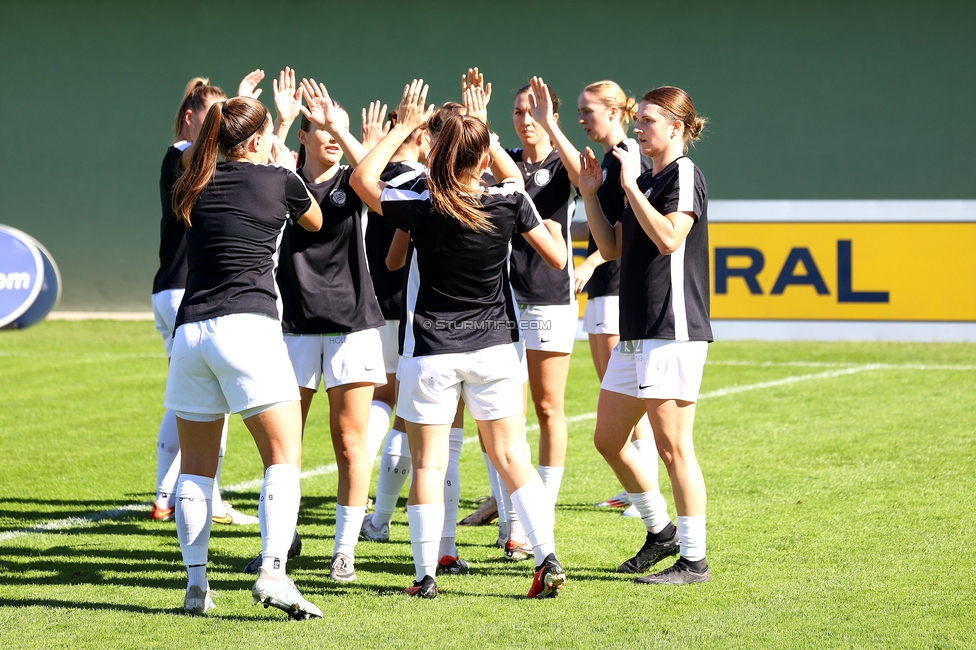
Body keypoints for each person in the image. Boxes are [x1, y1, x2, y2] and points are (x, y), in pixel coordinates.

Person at [351, 79, 569, 599]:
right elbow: (557, 258)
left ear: (440, 151)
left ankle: (426, 575)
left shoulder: (423, 203)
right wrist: (484, 129)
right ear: (483, 154)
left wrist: (403, 126)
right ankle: (547, 557)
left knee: (430, 462)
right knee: (513, 457)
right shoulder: (509, 200)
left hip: (432, 349)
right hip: (495, 347)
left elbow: (363, 179)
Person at [165, 95, 325, 617]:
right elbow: (315, 222)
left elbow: (201, 156)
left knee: (196, 471)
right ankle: (274, 574)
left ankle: (195, 586)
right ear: (257, 140)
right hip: (248, 326)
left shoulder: (193, 182)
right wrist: (279, 148)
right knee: (284, 458)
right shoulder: (281, 179)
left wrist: (256, 136)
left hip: (190, 334)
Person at [244, 75, 389, 583]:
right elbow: (257, 159)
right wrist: (281, 119)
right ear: (301, 137)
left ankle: (343, 551)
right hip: (292, 327)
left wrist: (343, 127)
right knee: (284, 447)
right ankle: (280, 540)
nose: (327, 134)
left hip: (352, 327)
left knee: (351, 443)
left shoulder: (356, 178)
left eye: (333, 127)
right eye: (318, 127)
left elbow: (380, 185)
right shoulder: (279, 177)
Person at [579, 85, 712, 584]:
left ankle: (694, 560)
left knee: (674, 449)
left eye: (649, 121)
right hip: (637, 330)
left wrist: (631, 185)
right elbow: (611, 248)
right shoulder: (649, 177)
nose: (638, 127)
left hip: (671, 329)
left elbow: (670, 238)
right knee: (609, 439)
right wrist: (592, 195)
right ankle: (662, 532)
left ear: (676, 128)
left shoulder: (681, 174)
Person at [151, 74, 263, 527]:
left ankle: (167, 495)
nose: (217, 125)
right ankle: (200, 495)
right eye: (212, 116)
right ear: (190, 117)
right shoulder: (182, 154)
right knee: (208, 403)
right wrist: (243, 113)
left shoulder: (199, 161)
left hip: (177, 289)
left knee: (187, 401)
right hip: (186, 288)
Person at [575, 80, 658, 515]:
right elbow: (600, 226)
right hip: (606, 289)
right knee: (618, 392)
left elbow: (626, 236)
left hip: (617, 289)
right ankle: (635, 488)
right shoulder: (607, 160)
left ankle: (648, 489)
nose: (582, 119)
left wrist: (589, 264)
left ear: (613, 111)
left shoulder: (629, 157)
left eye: (588, 111)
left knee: (629, 394)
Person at [506, 77, 580, 519]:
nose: (526, 120)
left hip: (551, 297)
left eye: (533, 112)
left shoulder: (561, 161)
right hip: (503, 298)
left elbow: (584, 181)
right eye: (519, 112)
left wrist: (550, 123)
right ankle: (513, 509)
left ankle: (545, 503)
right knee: (505, 408)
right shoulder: (507, 163)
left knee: (549, 405)